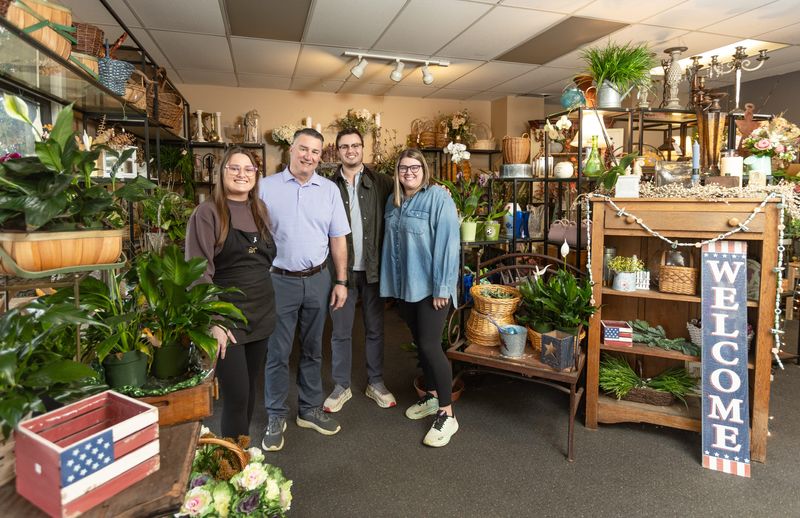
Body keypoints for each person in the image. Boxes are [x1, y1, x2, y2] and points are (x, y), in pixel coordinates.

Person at [258, 128, 350, 451]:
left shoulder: (329, 191)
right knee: (278, 352)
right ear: (291, 150)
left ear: (320, 156)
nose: (309, 156)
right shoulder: (265, 188)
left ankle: (309, 409)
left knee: (313, 348)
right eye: (303, 149)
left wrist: (341, 281)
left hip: (318, 279)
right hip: (278, 280)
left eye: (315, 151)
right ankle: (275, 414)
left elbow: (338, 238)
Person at [185, 147, 275, 440]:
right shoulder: (207, 213)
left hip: (260, 313)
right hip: (227, 319)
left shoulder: (260, 209)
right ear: (221, 173)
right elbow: (198, 271)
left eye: (248, 169)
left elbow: (264, 260)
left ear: (256, 176)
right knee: (236, 397)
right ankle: (232, 467)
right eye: (234, 168)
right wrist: (213, 319)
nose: (241, 174)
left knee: (250, 394)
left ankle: (241, 453)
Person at [379, 148, 460, 447]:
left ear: (424, 170)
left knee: (429, 345)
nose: (408, 172)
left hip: (431, 289)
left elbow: (449, 243)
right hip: (405, 288)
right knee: (421, 345)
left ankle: (447, 415)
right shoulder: (393, 201)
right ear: (397, 172)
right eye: (403, 168)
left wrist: (442, 286)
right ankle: (432, 397)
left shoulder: (438, 198)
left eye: (414, 167)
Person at [323, 128, 396, 413]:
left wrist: (434, 189)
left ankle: (375, 381)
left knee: (375, 329)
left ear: (362, 149)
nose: (350, 150)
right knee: (340, 331)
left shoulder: (382, 182)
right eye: (344, 147)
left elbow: (411, 192)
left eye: (355, 145)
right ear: (337, 151)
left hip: (373, 270)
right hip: (341, 273)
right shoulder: (328, 187)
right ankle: (341, 386)